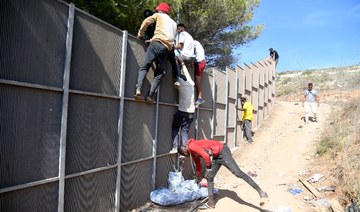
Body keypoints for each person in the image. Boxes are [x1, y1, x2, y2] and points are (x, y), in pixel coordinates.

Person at [178, 139, 268, 208]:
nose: (186, 157)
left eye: (184, 155)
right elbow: (198, 165)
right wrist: (197, 178)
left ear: (185, 151)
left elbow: (205, 156)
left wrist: (208, 169)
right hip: (216, 156)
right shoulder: (193, 153)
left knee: (238, 173)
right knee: (209, 177)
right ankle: (211, 203)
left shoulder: (192, 146)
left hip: (222, 151)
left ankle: (261, 192)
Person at [134, 3, 177, 104]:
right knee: (158, 73)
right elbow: (172, 38)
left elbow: (146, 21)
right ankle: (150, 96)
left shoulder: (158, 15)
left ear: (160, 10)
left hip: (156, 43)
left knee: (145, 67)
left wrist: (140, 34)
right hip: (166, 49)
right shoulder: (174, 23)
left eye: (157, 10)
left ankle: (138, 90)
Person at [169, 65, 195, 153]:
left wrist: (176, 62)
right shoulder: (191, 83)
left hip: (182, 112)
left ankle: (175, 147)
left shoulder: (181, 84)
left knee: (175, 127)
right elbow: (187, 74)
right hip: (191, 113)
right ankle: (185, 150)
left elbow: (176, 74)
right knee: (184, 132)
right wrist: (183, 64)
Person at [193, 40, 206, 106]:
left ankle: (200, 98)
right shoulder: (196, 43)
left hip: (200, 62)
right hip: (199, 62)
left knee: (197, 81)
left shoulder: (193, 43)